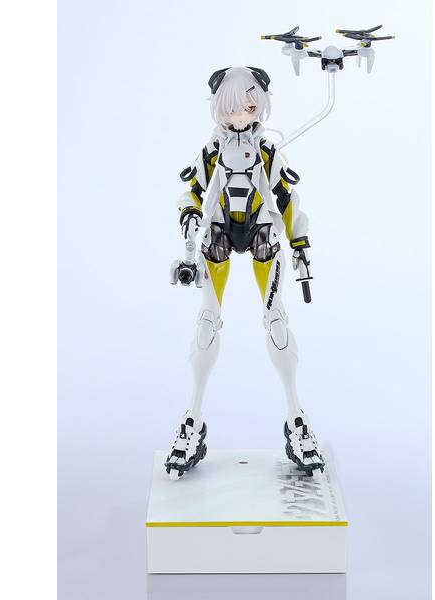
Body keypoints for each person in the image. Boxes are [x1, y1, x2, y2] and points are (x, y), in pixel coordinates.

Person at [165, 66, 324, 479]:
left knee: (277, 322)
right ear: (219, 108)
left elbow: (287, 199)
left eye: (249, 107)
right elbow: (192, 192)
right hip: (217, 235)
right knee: (207, 322)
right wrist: (189, 216)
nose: (240, 115)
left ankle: (296, 419)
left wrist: (300, 243)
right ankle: (192, 420)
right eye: (232, 108)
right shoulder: (212, 152)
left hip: (262, 234)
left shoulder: (268, 152)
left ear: (260, 107)